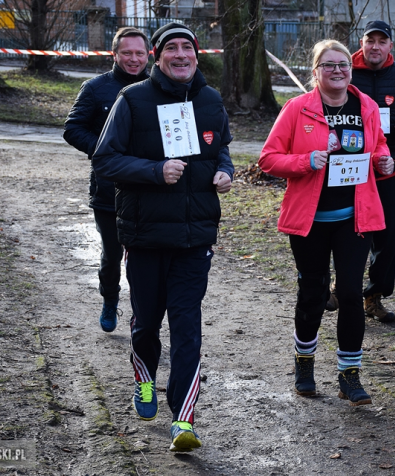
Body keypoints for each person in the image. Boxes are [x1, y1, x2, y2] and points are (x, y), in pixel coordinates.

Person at [93, 23, 234, 452]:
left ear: (196, 55)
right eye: (170, 48)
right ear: (158, 56)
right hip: (146, 236)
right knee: (147, 324)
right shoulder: (131, 100)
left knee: (188, 328)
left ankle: (184, 420)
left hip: (195, 238)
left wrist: (224, 170)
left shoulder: (210, 101)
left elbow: (221, 147)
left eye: (186, 48)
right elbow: (105, 159)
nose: (180, 55)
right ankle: (145, 382)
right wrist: (155, 172)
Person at [259, 39, 393, 405]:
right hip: (310, 220)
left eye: (343, 65)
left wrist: (384, 161)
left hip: (354, 216)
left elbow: (378, 144)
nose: (337, 71)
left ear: (351, 70)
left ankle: (350, 375)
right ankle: (304, 362)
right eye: (329, 65)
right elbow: (268, 159)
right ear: (315, 71)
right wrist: (306, 161)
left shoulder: (365, 105)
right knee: (313, 293)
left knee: (350, 292)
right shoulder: (297, 109)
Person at [329, 20, 395, 323]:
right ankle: (342, 288)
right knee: (345, 232)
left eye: (381, 41)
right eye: (370, 40)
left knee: (385, 237)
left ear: (390, 46)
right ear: (362, 43)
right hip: (346, 168)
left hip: (386, 169)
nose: (375, 46)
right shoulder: (345, 71)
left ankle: (374, 296)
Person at [63, 27, 150, 332]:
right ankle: (109, 300)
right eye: (127, 52)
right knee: (112, 254)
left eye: (139, 53)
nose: (133, 59)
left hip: (150, 189)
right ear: (114, 54)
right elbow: (72, 128)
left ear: (149, 55)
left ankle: (142, 314)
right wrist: (103, 152)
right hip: (108, 190)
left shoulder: (160, 87)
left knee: (144, 259)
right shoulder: (96, 88)